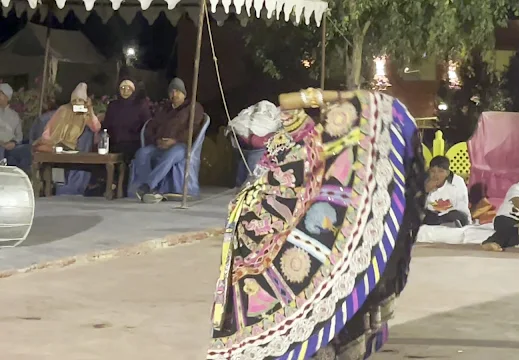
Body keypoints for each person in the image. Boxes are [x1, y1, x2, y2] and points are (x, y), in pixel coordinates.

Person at [207, 91, 425, 360]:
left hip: (295, 239)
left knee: (335, 288)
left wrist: (335, 98)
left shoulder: (320, 159)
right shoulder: (287, 149)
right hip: (267, 245)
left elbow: (289, 103)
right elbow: (287, 104)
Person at [132, 77, 204, 204]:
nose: (174, 94)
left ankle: (147, 186)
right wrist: (156, 140)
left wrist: (175, 141)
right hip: (160, 144)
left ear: (184, 93)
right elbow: (151, 126)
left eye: (178, 91)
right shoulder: (164, 109)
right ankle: (152, 190)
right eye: (172, 91)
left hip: (180, 146)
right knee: (142, 153)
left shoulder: (193, 107)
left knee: (171, 154)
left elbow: (193, 129)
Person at [85, 77, 151, 196]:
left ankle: (119, 188)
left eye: (128, 88)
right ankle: (102, 186)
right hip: (113, 140)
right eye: (122, 88)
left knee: (124, 156)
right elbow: (107, 125)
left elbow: (147, 126)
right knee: (97, 155)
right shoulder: (113, 105)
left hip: (132, 142)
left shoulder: (141, 106)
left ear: (133, 90)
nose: (125, 91)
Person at [32, 82, 101, 152]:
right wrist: (46, 138)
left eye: (80, 100)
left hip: (69, 145)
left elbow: (96, 128)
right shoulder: (64, 109)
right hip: (53, 141)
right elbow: (50, 125)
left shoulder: (85, 113)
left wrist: (90, 110)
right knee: (38, 147)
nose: (76, 102)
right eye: (74, 100)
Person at [423, 155, 472, 227]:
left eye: (441, 171)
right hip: (433, 216)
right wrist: (425, 192)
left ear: (447, 173)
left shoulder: (456, 182)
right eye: (433, 171)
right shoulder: (424, 182)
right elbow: (421, 208)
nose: (436, 175)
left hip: (453, 215)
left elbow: (462, 207)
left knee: (455, 215)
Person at [0, 83, 26, 169]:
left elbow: (19, 136)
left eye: (1, 93)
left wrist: (14, 143)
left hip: (10, 147)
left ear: (7, 97)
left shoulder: (14, 116)